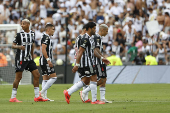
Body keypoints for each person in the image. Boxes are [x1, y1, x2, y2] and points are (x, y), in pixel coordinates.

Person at [63, 22, 110, 104]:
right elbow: (80, 51)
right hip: (87, 62)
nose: (96, 30)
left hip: (88, 61)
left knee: (86, 80)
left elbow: (94, 50)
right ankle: (94, 100)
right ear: (89, 29)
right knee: (94, 79)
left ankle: (68, 92)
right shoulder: (85, 38)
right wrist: (77, 64)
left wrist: (102, 58)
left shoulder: (89, 37)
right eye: (94, 28)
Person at [9, 19, 48, 102]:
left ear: (28, 24)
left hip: (29, 59)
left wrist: (32, 57)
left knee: (37, 75)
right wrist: (19, 47)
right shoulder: (19, 35)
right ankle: (13, 97)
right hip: (20, 59)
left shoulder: (32, 34)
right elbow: (13, 46)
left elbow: (32, 45)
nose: (22, 25)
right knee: (18, 77)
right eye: (21, 24)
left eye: (23, 24)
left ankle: (37, 96)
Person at [79, 24, 112, 103]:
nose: (107, 33)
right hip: (98, 62)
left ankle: (102, 98)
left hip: (100, 61)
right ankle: (84, 92)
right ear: (102, 30)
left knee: (104, 79)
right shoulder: (97, 37)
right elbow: (95, 50)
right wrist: (102, 58)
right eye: (106, 31)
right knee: (101, 80)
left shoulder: (98, 37)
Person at [39, 24, 57, 101]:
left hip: (42, 60)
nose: (54, 31)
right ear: (48, 29)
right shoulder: (46, 37)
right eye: (53, 29)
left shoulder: (45, 36)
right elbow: (43, 49)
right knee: (54, 77)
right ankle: (42, 92)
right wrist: (48, 60)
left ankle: (44, 97)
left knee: (45, 78)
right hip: (45, 60)